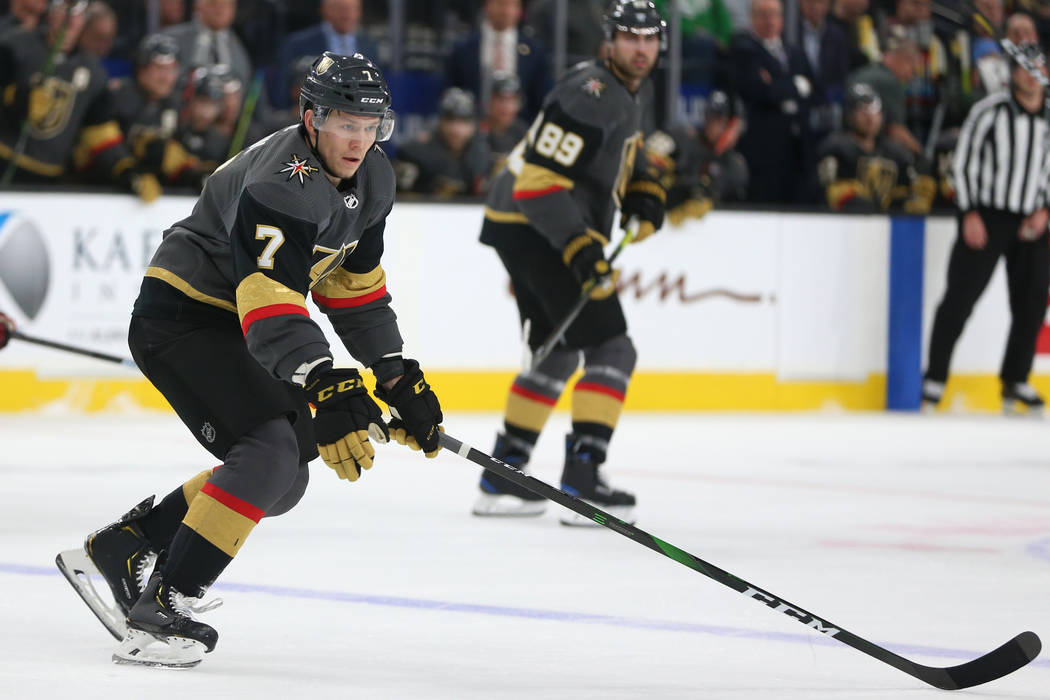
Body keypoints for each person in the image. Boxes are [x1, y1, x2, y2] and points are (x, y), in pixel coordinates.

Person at [55, 51, 444, 668]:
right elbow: (267, 296)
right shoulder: (280, 180)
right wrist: (325, 379)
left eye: (372, 127)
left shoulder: (375, 179)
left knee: (286, 474)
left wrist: (396, 373)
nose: (360, 141)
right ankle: (164, 604)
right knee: (266, 449)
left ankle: (128, 545)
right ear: (310, 117)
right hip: (183, 315)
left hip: (238, 321)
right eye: (346, 123)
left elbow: (352, 287)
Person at [471, 0, 667, 525]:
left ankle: (502, 476)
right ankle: (581, 481)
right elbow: (539, 184)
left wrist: (644, 187)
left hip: (520, 224)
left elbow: (623, 149)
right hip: (536, 226)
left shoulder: (621, 89)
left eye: (649, 39)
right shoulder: (591, 93)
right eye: (630, 37)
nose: (641, 48)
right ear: (610, 39)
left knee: (555, 352)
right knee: (612, 346)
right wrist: (580, 249)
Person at [922, 41, 1050, 415]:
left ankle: (1015, 380)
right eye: (1022, 68)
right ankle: (935, 380)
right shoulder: (989, 112)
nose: (1028, 75)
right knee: (959, 300)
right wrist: (970, 213)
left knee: (1031, 304)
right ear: (1012, 72)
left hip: (1033, 220)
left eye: (1036, 67)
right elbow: (962, 164)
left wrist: (1046, 210)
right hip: (988, 215)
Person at [0, 0, 158, 200]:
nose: (70, 23)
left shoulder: (94, 73)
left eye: (77, 15)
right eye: (64, 12)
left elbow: (100, 133)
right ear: (50, 13)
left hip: (47, 184)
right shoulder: (14, 46)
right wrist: (13, 99)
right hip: (4, 167)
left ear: (84, 22)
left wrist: (127, 169)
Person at [729, 0, 819, 204]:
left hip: (799, 150)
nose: (769, 21)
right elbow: (761, 92)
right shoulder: (745, 50)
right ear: (753, 18)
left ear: (782, 18)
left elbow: (816, 92)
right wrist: (797, 86)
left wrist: (779, 87)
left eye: (774, 14)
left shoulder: (796, 53)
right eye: (763, 15)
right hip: (764, 150)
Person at [815, 82, 934, 213]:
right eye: (862, 109)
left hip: (885, 227)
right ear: (849, 115)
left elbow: (907, 192)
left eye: (874, 110)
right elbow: (829, 191)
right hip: (846, 225)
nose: (869, 116)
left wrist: (911, 200)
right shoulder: (836, 149)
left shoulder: (896, 153)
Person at [110, 33, 204, 187]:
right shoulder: (116, 98)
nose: (166, 77)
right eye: (160, 68)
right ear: (141, 68)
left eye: (172, 69)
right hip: (109, 190)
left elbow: (181, 151)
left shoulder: (175, 105)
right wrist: (132, 176)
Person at [644, 90, 749, 226]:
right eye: (710, 117)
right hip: (659, 221)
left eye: (720, 121)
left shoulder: (735, 165)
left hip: (713, 238)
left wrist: (705, 194)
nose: (712, 124)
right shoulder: (682, 138)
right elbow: (647, 163)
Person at [444, 0, 553, 121]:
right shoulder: (462, 48)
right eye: (501, 4)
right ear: (486, 5)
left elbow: (543, 99)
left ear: (520, 10)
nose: (506, 11)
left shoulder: (535, 51)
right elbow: (449, 91)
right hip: (471, 129)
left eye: (512, 5)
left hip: (520, 130)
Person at [271, 0, 377, 110]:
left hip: (360, 114)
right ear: (325, 11)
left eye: (354, 9)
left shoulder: (369, 45)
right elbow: (281, 93)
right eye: (341, 8)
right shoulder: (297, 45)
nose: (348, 14)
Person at [394, 87, 490, 196]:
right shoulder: (418, 153)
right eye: (450, 120)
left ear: (473, 125)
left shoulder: (482, 153)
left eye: (463, 121)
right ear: (440, 121)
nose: (456, 129)